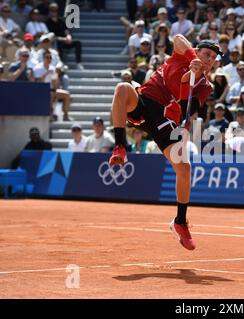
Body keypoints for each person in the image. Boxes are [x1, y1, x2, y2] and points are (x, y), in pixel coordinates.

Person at [109, 37, 221, 251]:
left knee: (184, 169)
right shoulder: (182, 54)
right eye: (207, 54)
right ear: (197, 51)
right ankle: (120, 147)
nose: (209, 60)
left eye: (213, 58)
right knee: (123, 87)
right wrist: (191, 60)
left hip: (165, 120)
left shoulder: (205, 85)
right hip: (143, 102)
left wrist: (191, 77)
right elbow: (178, 39)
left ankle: (180, 221)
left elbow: (186, 103)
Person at [46, 3, 83, 69]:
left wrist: (68, 36)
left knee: (78, 42)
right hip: (56, 41)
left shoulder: (61, 20)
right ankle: (61, 63)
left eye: (55, 10)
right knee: (58, 43)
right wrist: (63, 39)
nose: (54, 12)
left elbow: (66, 30)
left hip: (66, 40)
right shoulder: (47, 22)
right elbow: (51, 35)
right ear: (50, 11)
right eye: (52, 10)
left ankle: (78, 63)